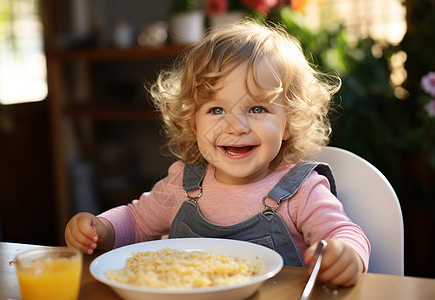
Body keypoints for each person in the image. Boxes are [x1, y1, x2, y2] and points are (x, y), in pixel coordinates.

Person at [65, 20, 370, 287]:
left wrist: (345, 254)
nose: (236, 126)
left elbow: (343, 231)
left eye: (257, 108)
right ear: (192, 123)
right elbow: (136, 221)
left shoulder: (300, 190)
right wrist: (100, 229)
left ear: (288, 121)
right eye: (216, 109)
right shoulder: (183, 183)